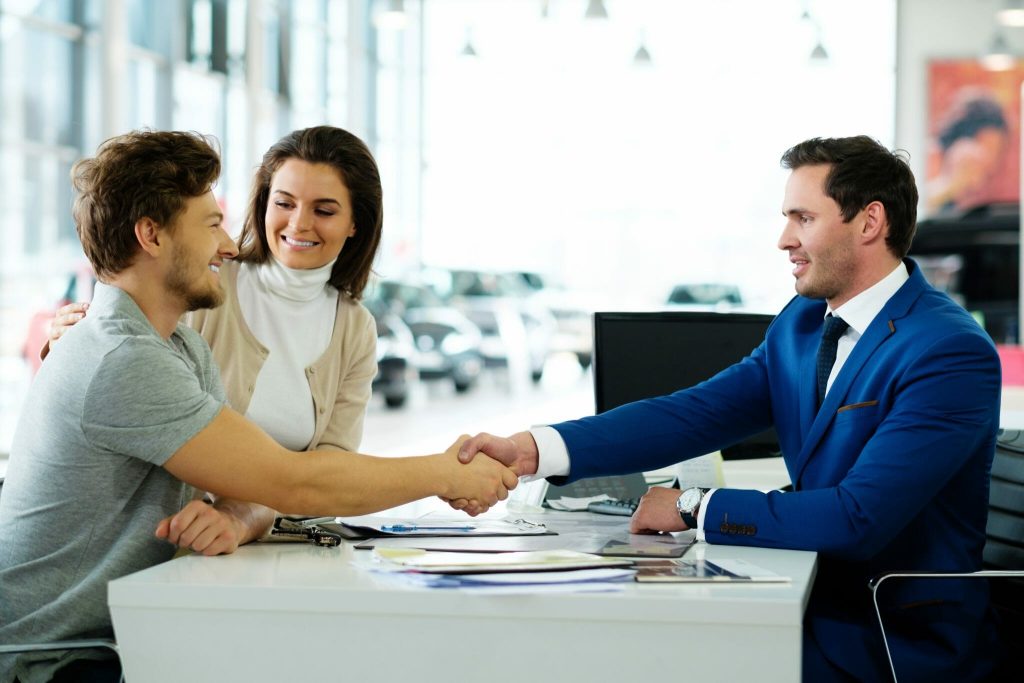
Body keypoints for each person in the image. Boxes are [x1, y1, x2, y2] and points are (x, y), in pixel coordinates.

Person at [455, 136, 1002, 682]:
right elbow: (694, 414)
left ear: (869, 222)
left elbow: (858, 518)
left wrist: (694, 505)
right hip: (807, 596)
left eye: (803, 218)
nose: (784, 239)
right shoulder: (803, 323)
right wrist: (531, 450)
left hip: (886, 635)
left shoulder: (946, 350)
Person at [0, 130, 516, 683]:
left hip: (136, 627)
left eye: (322, 209)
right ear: (150, 234)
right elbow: (296, 483)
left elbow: (281, 478)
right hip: (54, 660)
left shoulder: (179, 344)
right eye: (211, 224)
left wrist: (242, 514)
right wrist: (444, 473)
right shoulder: (125, 354)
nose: (229, 244)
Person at [42, 125, 388, 549]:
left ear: (356, 223)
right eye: (284, 202)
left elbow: (326, 473)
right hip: (170, 551)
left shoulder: (355, 328)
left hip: (255, 553)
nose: (299, 223)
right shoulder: (197, 283)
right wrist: (72, 340)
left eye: (325, 210)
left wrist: (247, 514)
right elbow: (117, 362)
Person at [926, 89, 1011, 215]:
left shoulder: (984, 183)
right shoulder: (932, 155)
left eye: (996, 151)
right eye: (986, 147)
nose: (990, 160)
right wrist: (953, 184)